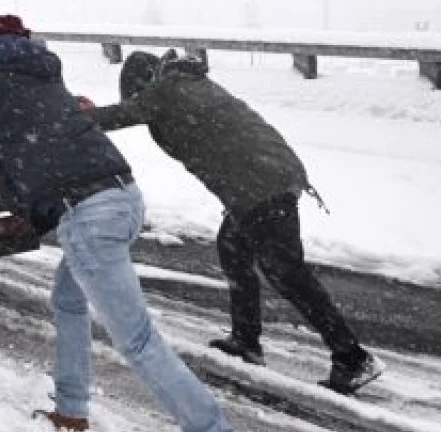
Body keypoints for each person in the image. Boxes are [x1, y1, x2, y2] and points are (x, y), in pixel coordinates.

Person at [0, 16, 235, 432]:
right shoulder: (47, 79)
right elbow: (47, 150)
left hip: (89, 216)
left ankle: (211, 428)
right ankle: (71, 411)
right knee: (68, 302)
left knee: (138, 341)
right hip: (122, 198)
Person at [80, 50, 384, 395]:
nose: (138, 99)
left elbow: (116, 117)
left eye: (136, 92)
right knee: (234, 251)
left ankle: (351, 356)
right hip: (261, 179)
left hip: (260, 184)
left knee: (286, 272)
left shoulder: (168, 90)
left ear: (144, 83)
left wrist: (66, 115)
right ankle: (246, 341)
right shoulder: (190, 86)